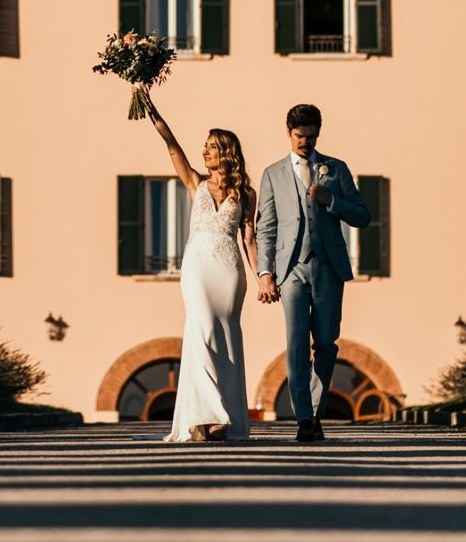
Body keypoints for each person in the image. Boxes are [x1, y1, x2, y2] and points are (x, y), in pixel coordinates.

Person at [142, 94, 258, 443]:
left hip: (229, 271)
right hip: (197, 267)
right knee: (201, 329)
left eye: (210, 147)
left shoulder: (246, 194)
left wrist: (262, 278)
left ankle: (209, 421)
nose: (204, 151)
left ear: (226, 151)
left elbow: (250, 242)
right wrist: (150, 106)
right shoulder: (196, 183)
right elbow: (172, 146)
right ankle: (211, 414)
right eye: (204, 146)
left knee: (225, 336)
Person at [255, 103, 370, 443]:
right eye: (299, 136)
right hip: (290, 270)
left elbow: (362, 215)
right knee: (295, 345)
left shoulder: (335, 169)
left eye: (311, 136)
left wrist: (330, 199)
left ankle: (316, 411)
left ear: (319, 133)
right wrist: (265, 273)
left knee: (325, 343)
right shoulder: (272, 174)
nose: (305, 142)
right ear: (288, 132)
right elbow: (266, 228)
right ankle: (305, 418)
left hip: (328, 268)